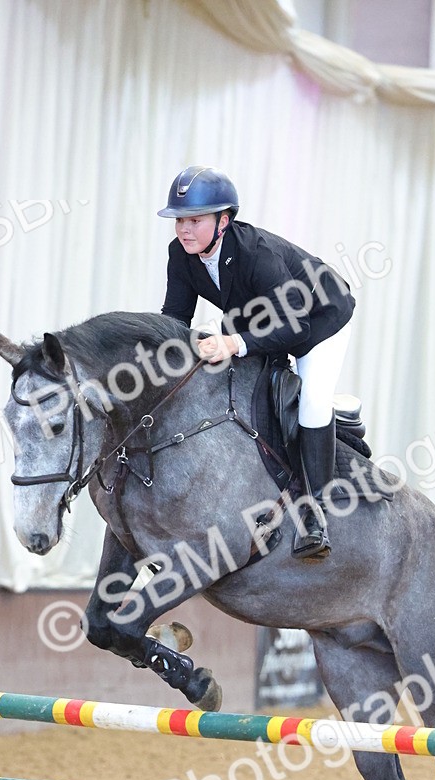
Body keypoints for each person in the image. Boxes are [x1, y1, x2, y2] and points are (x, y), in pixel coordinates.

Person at [159, 165, 356, 560]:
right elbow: (174, 320)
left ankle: (316, 511)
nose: (184, 229)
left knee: (313, 399)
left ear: (223, 221)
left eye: (195, 220)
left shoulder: (255, 254)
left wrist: (234, 342)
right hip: (259, 317)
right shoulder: (181, 255)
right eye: (180, 220)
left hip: (318, 318)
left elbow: (296, 328)